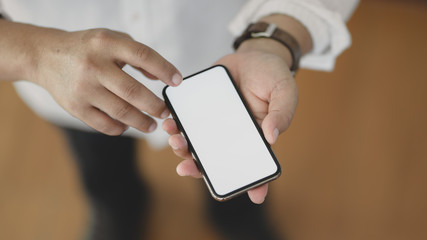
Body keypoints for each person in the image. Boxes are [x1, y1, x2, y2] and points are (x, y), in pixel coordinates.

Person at [0, 0, 359, 239]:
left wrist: (274, 40)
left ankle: (239, 220)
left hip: (230, 64)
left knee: (239, 174)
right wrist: (34, 54)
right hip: (69, 88)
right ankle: (117, 210)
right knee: (102, 170)